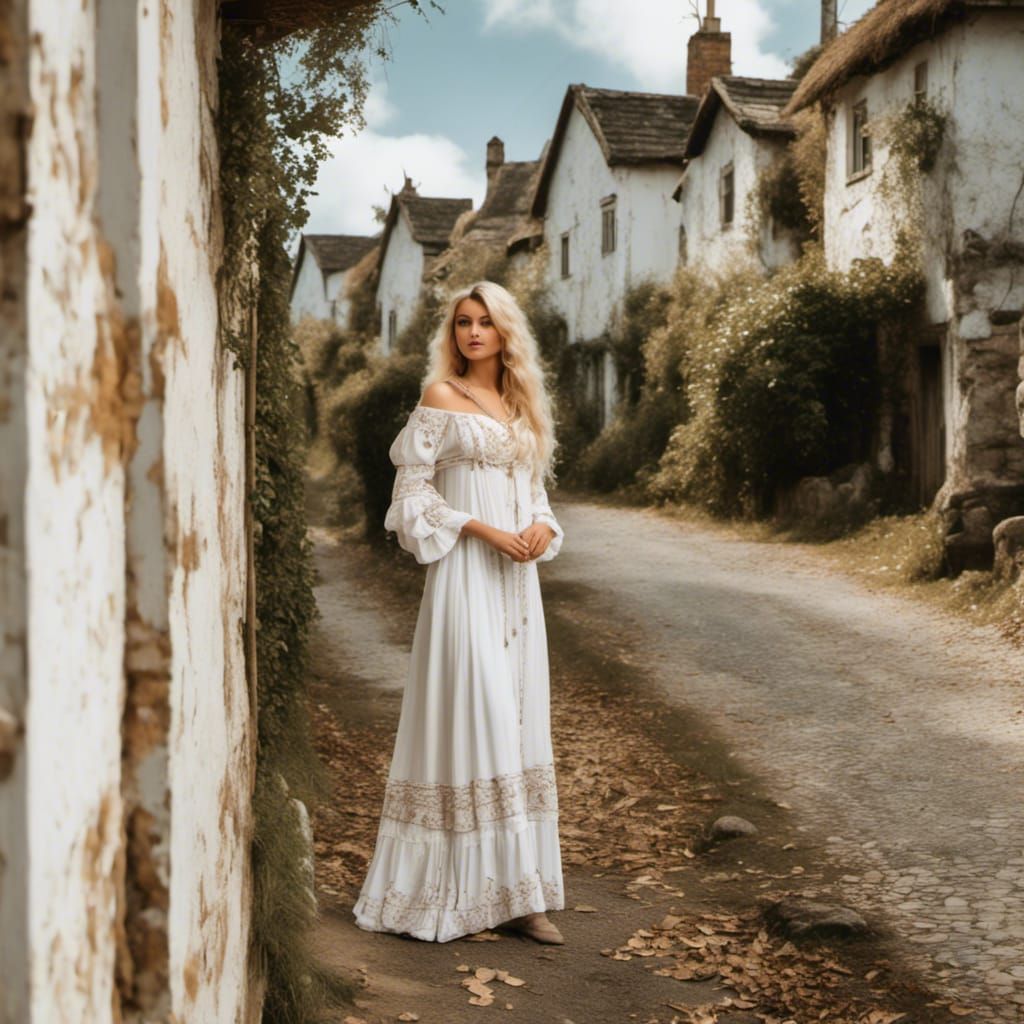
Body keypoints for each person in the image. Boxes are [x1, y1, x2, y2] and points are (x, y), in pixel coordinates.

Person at [352, 280, 566, 945]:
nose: (473, 333)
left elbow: (535, 497)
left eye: (485, 323)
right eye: (463, 323)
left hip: (517, 591)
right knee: (482, 717)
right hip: (464, 578)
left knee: (518, 721)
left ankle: (520, 896)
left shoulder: (518, 406)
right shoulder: (440, 398)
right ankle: (465, 892)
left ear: (505, 334)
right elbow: (410, 499)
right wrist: (482, 529)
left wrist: (536, 529)